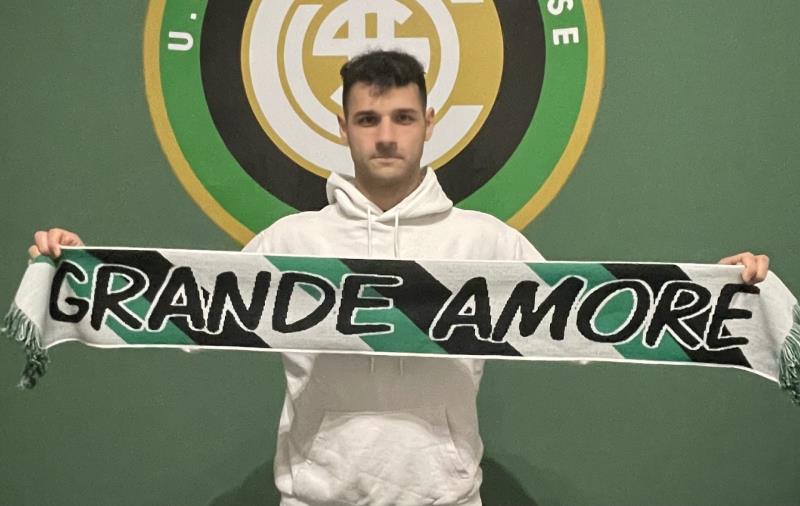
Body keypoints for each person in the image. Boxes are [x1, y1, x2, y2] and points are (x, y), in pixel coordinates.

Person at [30, 50, 770, 505]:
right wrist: (80, 271)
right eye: (368, 119)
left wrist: (725, 289)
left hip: (445, 499)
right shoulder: (292, 241)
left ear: (428, 122)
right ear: (343, 126)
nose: (386, 135)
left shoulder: (485, 242)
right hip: (315, 499)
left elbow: (588, 328)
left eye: (403, 118)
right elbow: (186, 316)